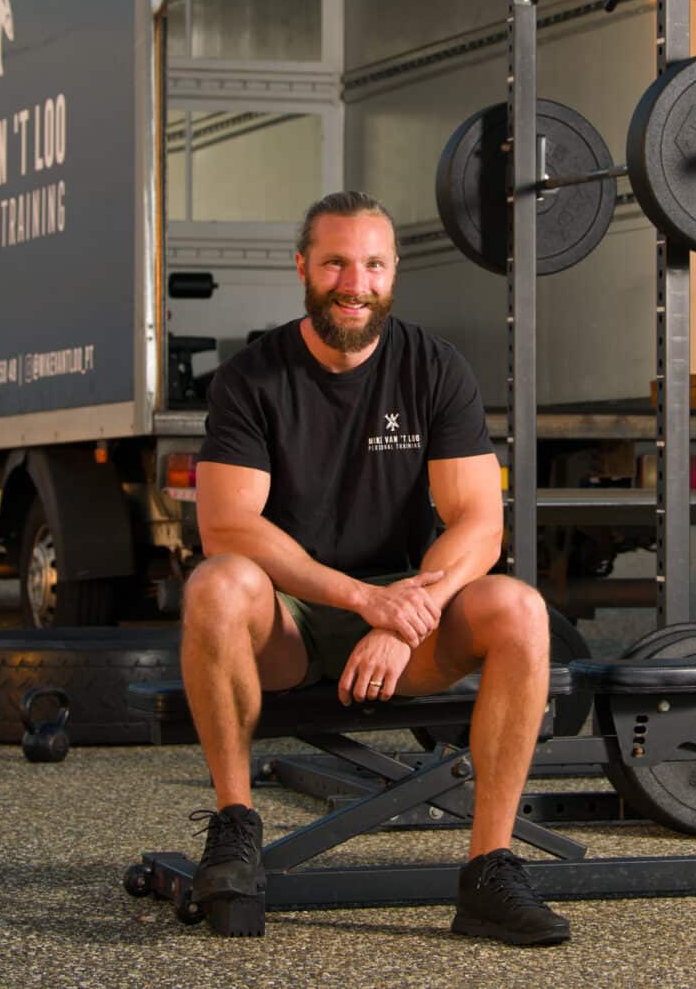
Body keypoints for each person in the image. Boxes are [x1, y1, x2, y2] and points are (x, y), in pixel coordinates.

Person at [178, 190, 569, 946]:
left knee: (518, 609)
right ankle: (235, 828)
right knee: (216, 584)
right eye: (334, 263)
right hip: (287, 622)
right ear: (303, 268)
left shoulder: (434, 367)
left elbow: (479, 523)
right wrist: (364, 602)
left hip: (403, 620)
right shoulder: (252, 379)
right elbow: (227, 524)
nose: (353, 281)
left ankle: (489, 870)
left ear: (393, 275)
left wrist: (406, 612)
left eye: (372, 265)